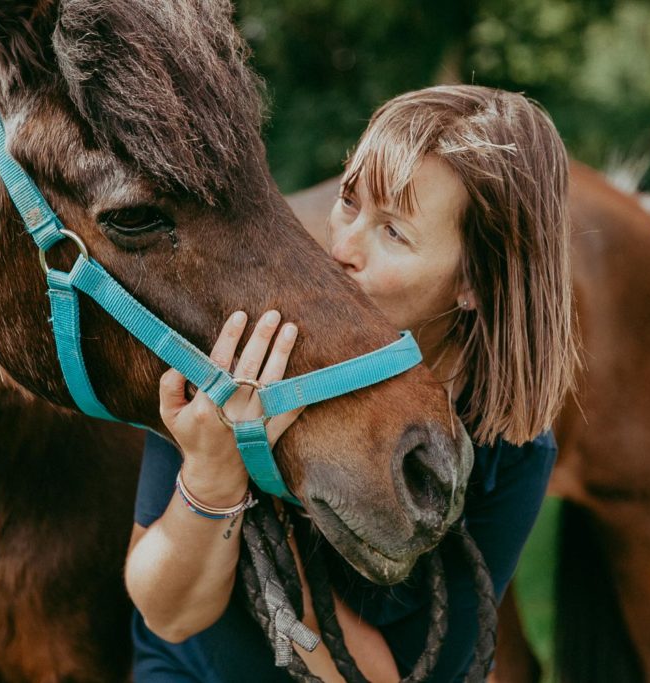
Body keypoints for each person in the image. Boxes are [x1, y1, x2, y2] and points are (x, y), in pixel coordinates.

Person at [124, 84, 577, 682]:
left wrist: (276, 514)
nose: (339, 247)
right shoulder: (241, 349)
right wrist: (214, 470)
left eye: (393, 232)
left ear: (476, 282)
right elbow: (168, 616)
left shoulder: (510, 450)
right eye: (348, 201)